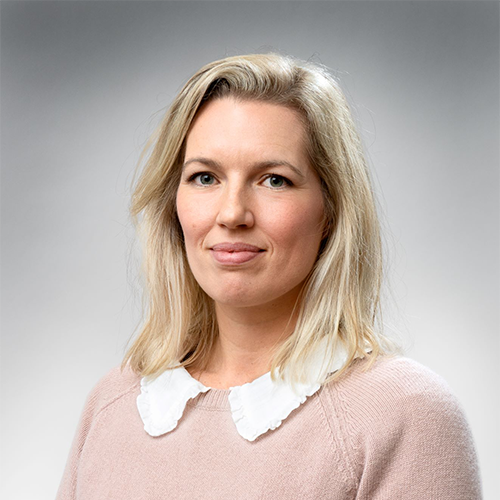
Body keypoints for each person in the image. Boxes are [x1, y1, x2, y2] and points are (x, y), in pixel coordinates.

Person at [56, 53, 482, 499]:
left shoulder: (404, 414)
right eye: (205, 177)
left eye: (274, 180)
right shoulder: (112, 404)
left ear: (331, 211)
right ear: (173, 204)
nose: (232, 213)